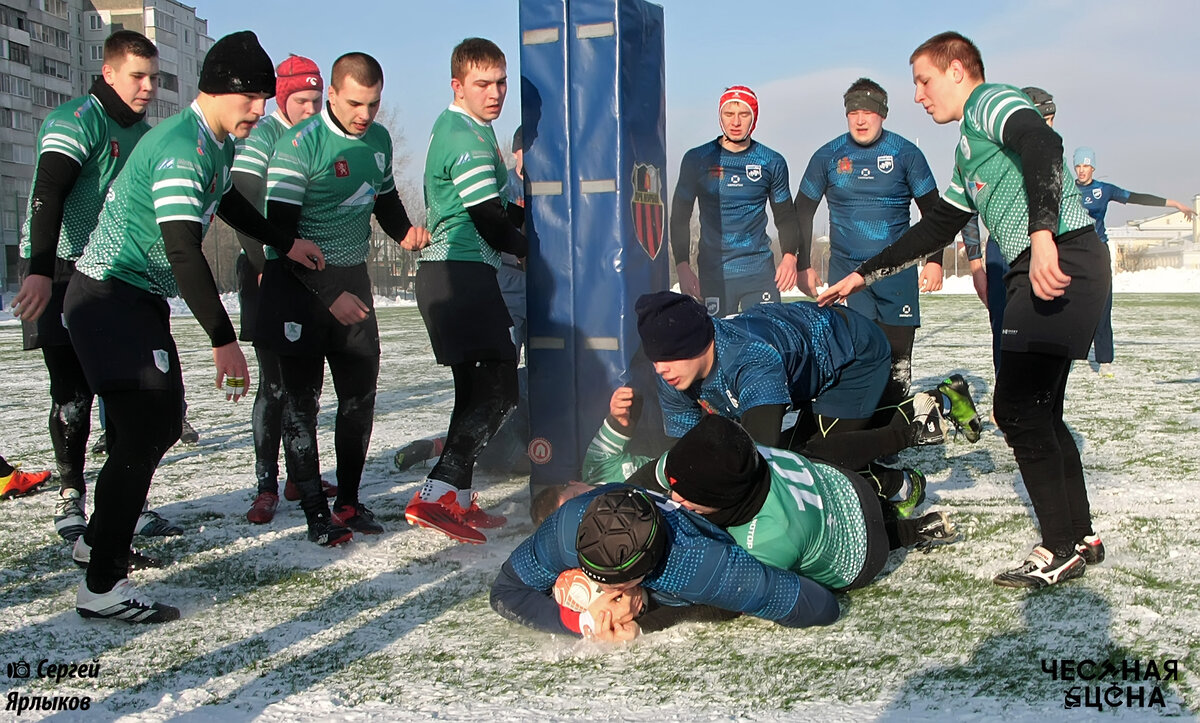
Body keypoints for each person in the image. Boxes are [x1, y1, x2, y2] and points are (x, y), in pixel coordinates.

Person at [819, 31, 1111, 589]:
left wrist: (1044, 234)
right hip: (1042, 257)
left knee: (1019, 409)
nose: (919, 96)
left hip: (1059, 252)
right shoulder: (967, 148)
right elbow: (934, 225)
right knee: (1039, 410)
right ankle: (1082, 537)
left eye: (924, 81)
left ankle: (1059, 548)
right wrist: (861, 274)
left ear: (958, 70)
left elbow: (1045, 147)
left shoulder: (991, 101)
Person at [64, 30, 326, 622]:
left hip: (135, 298)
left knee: (156, 425)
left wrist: (287, 241)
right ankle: (102, 587)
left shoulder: (213, 143)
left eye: (265, 98)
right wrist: (224, 341)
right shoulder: (183, 147)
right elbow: (183, 249)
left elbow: (226, 202)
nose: (261, 111)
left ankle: (95, 543)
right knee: (143, 427)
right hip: (107, 296)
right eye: (253, 99)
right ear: (219, 90)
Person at [9, 30, 182, 543]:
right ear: (109, 74)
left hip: (115, 272)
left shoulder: (147, 135)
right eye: (138, 76)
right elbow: (48, 192)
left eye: (155, 77)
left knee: (129, 392)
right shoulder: (75, 120)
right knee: (73, 392)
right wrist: (39, 268)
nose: (149, 87)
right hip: (60, 267)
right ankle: (71, 495)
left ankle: (130, 499)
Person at [259, 52, 426, 547]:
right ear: (331, 94)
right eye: (355, 103)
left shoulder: (377, 139)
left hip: (351, 280)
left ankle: (349, 501)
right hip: (300, 285)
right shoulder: (297, 146)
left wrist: (404, 233)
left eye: (373, 104)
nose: (364, 115)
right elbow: (280, 237)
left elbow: (385, 198)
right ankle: (315, 512)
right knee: (302, 405)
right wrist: (328, 293)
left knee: (359, 396)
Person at [405, 37, 525, 545]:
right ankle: (435, 494)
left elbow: (503, 210)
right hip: (458, 274)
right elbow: (490, 222)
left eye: (501, 82)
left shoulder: (474, 127)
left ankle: (456, 497)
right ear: (458, 86)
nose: (495, 93)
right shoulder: (466, 137)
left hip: (460, 274)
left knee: (475, 393)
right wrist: (548, 255)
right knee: (500, 389)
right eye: (483, 84)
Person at [634, 291, 981, 460]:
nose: (661, 368)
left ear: (699, 343)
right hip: (806, 361)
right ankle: (942, 395)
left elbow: (762, 455)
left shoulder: (752, 357)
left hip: (852, 353)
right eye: (654, 359)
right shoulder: (671, 377)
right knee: (801, 447)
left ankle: (931, 407)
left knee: (821, 456)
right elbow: (685, 451)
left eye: (670, 356)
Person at [642, 415, 958, 593]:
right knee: (813, 452)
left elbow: (722, 595)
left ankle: (913, 531)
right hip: (841, 483)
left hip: (862, 553)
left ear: (723, 497)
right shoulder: (736, 456)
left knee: (825, 559)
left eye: (685, 496)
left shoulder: (768, 538)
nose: (674, 500)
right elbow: (655, 471)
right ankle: (908, 435)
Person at [490, 484, 840, 638]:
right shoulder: (566, 526)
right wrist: (581, 620)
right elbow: (505, 592)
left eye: (610, 583)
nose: (601, 590)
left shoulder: (698, 566)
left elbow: (822, 607)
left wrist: (650, 614)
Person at [231, 53, 334, 525]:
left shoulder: (316, 136)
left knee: (304, 385)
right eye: (303, 100)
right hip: (266, 272)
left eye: (317, 99)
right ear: (283, 98)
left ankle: (299, 475)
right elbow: (246, 200)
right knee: (273, 385)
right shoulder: (266, 135)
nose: (311, 109)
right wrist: (260, 263)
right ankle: (265, 485)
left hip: (301, 274)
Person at [795, 78, 941, 410]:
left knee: (897, 367)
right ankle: (855, 433)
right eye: (854, 112)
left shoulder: (905, 153)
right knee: (853, 360)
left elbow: (934, 210)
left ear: (883, 114)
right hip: (847, 274)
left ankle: (891, 438)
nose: (861, 120)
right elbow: (802, 211)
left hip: (897, 274)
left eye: (869, 112)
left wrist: (935, 260)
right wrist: (803, 264)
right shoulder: (828, 156)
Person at [670, 85, 802, 316]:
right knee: (717, 345)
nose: (735, 122)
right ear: (720, 116)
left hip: (759, 271)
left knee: (766, 342)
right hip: (714, 272)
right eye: (728, 114)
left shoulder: (771, 161)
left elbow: (785, 216)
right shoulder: (697, 159)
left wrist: (790, 255)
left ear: (754, 117)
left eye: (743, 114)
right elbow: (680, 217)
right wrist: (682, 264)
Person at [1071, 146, 1196, 377]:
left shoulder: (1104, 189)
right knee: (1068, 302)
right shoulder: (1067, 189)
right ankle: (1066, 353)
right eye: (1078, 166)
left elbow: (1137, 197)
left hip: (1098, 249)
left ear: (1093, 168)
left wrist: (1175, 204)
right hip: (1072, 250)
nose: (1081, 171)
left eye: (1085, 166)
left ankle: (1105, 361)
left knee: (1102, 304)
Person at [962, 87, 1057, 378]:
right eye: (1044, 120)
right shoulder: (990, 159)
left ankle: (1040, 394)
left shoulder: (1053, 156)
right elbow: (967, 211)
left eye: (1052, 121)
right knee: (1004, 325)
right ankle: (1005, 391)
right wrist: (976, 266)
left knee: (1046, 325)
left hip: (1044, 247)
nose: (1049, 128)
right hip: (1001, 252)